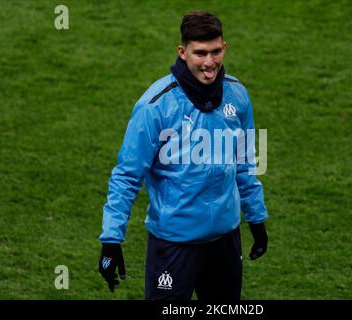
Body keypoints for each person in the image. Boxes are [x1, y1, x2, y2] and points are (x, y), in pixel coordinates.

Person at [98, 11, 268, 300]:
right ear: (182, 52)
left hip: (225, 241)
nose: (209, 62)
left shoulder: (238, 96)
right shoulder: (155, 105)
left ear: (224, 47)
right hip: (174, 245)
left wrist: (256, 217)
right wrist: (112, 240)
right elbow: (127, 176)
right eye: (200, 53)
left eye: (216, 52)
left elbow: (245, 163)